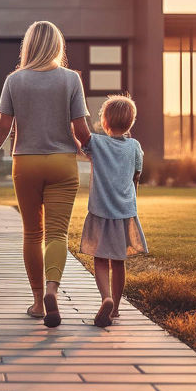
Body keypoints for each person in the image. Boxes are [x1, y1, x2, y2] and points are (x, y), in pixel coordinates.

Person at [0, 21, 90, 328]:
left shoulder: (15, 80)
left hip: (27, 163)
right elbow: (81, 131)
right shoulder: (71, 80)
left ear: (29, 46)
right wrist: (92, 149)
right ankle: (52, 290)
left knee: (33, 234)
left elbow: (3, 128)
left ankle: (38, 303)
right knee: (58, 233)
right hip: (62, 162)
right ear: (57, 46)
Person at [78, 95, 147, 328]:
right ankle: (115, 308)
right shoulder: (135, 147)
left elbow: (80, 138)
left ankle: (105, 297)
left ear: (105, 121)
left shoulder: (96, 143)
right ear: (131, 122)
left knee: (100, 258)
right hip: (124, 212)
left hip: (99, 210)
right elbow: (136, 176)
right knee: (118, 261)